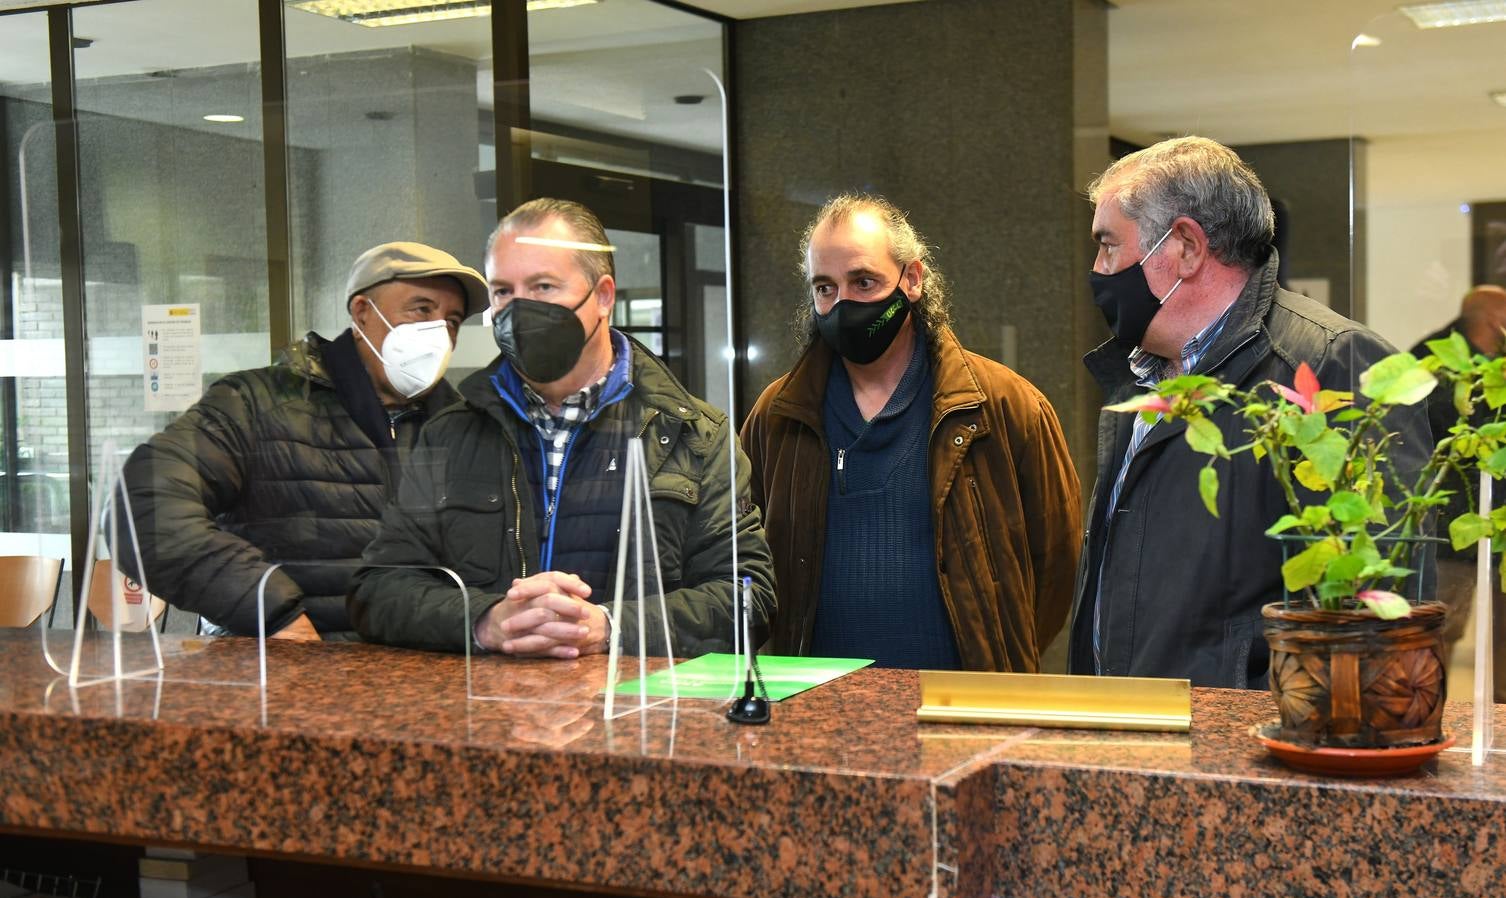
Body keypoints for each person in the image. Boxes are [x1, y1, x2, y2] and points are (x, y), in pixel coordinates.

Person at [1072, 135, 1433, 688]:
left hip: (1245, 754)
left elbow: (1381, 616)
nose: (1097, 268)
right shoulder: (1139, 373)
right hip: (1135, 732)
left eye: (1107, 244)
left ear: (1186, 247)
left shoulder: (1334, 363)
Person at [348, 198, 775, 657]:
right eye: (503, 292)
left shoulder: (695, 436)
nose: (519, 309)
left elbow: (748, 599)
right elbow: (379, 589)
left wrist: (608, 627)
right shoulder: (451, 431)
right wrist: (485, 621)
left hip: (635, 716)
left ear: (604, 297)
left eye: (544, 286)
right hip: (488, 714)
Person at [740, 194, 1081, 671]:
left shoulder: (1006, 406)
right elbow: (746, 563)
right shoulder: (777, 416)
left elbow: (1057, 566)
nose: (842, 304)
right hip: (816, 711)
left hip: (963, 713)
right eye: (824, 288)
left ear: (913, 279)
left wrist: (996, 657)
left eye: (863, 282)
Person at [121, 242, 488, 640]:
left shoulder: (462, 428)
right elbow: (144, 506)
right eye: (421, 309)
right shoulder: (255, 405)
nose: (439, 333)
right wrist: (269, 610)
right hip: (287, 675)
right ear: (362, 312)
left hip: (423, 679)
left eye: (452, 320)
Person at [1411, 284, 1506, 699]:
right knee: (1440, 629)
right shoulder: (1434, 362)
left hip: (1493, 519)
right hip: (1451, 525)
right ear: (1494, 319)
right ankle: (1433, 713)